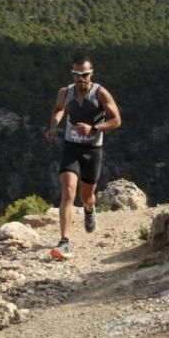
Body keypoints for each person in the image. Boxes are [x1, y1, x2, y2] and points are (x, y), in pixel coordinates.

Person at [44, 55, 121, 260]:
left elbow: (116, 120)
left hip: (92, 150)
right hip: (71, 147)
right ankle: (64, 242)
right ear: (73, 75)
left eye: (85, 75)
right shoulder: (65, 92)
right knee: (68, 191)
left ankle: (89, 209)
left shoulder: (101, 93)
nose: (81, 79)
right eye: (77, 75)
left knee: (86, 196)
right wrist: (53, 126)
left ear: (91, 73)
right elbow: (59, 109)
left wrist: (94, 128)